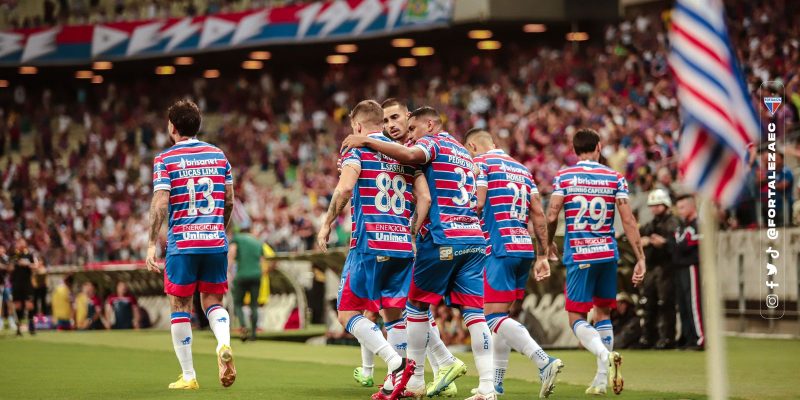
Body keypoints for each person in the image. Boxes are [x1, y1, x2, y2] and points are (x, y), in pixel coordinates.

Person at [341, 106, 494, 400]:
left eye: (413, 128)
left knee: (414, 306)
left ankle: (415, 380)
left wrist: (367, 141)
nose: (411, 135)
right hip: (474, 239)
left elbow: (412, 158)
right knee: (475, 314)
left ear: (430, 124)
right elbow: (476, 188)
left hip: (443, 237)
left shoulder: (432, 143)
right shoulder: (463, 152)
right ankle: (487, 387)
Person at [316, 99, 417, 400]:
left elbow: (345, 188)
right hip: (402, 244)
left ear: (357, 126)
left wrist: (326, 224)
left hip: (370, 242)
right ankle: (396, 383)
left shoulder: (357, 149)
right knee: (394, 314)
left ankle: (395, 362)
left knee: (347, 313)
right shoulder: (403, 153)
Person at [545, 128, 646, 396]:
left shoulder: (565, 176)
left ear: (574, 149)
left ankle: (604, 354)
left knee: (575, 317)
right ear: (599, 147)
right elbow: (628, 220)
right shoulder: (615, 177)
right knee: (603, 313)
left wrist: (547, 244)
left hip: (580, 255)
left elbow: (552, 214)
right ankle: (601, 380)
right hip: (607, 254)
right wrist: (640, 257)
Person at [145, 99, 237, 390]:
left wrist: (151, 243)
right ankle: (223, 343)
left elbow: (160, 203)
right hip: (215, 241)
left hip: (183, 244)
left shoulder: (165, 159)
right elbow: (230, 200)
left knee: (180, 305)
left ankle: (189, 375)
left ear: (172, 127)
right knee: (212, 302)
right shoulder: (219, 156)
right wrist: (218, 229)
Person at [464, 128, 563, 398]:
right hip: (523, 248)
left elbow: (477, 203)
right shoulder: (522, 169)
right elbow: (538, 214)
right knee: (501, 317)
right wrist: (542, 255)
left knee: (491, 317)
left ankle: (544, 361)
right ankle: (496, 383)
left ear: (472, 147)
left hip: (497, 248)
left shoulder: (480, 164)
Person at [377, 98, 458, 398]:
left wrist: (412, 231)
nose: (391, 125)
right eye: (385, 121)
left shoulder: (416, 150)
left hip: (417, 237)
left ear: (409, 117)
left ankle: (410, 374)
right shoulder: (399, 149)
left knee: (405, 307)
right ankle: (442, 367)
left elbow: (425, 197)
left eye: (395, 118)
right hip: (412, 237)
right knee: (414, 308)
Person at [638, 189, 680, 349]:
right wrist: (644, 240)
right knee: (649, 303)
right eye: (652, 205)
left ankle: (668, 338)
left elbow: (676, 244)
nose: (654, 208)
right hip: (652, 267)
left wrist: (663, 243)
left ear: (665, 205)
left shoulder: (673, 222)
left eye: (657, 205)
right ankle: (649, 337)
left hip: (666, 267)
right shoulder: (652, 224)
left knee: (666, 303)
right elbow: (640, 235)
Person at [673, 195, 704, 351]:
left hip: (691, 266)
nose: (679, 211)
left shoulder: (698, 225)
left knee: (693, 302)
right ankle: (688, 337)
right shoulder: (682, 226)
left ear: (692, 207)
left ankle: (700, 338)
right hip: (680, 267)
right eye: (678, 208)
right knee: (683, 304)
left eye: (682, 207)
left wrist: (677, 245)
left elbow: (686, 245)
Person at [228, 225, 265, 342]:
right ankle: (253, 334)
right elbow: (262, 260)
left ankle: (243, 326)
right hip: (256, 275)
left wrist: (228, 271)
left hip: (242, 275)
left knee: (238, 303)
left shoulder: (238, 238)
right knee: (254, 305)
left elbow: (232, 254)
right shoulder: (258, 242)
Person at [10, 237, 37, 336]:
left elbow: (36, 266)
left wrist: (27, 264)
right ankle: (19, 327)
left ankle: (31, 326)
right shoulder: (13, 256)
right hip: (16, 284)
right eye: (19, 242)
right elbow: (10, 268)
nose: (20, 244)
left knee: (29, 304)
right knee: (18, 306)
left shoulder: (29, 255)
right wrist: (14, 265)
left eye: (22, 242)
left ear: (25, 244)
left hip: (27, 283)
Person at [0, 244, 17, 332]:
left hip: (7, 284)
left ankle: (11, 320)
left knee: (9, 302)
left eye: (1, 248)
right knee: (0, 304)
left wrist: (3, 266)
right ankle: (1, 320)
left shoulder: (7, 258)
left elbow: (11, 268)